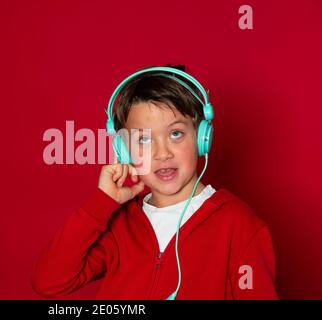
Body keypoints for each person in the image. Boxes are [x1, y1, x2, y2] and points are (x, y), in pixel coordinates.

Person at [31, 64, 278, 299]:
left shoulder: (238, 225)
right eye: (143, 140)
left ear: (203, 138)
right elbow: (49, 281)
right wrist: (101, 203)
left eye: (176, 134)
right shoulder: (121, 224)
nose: (162, 153)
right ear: (123, 151)